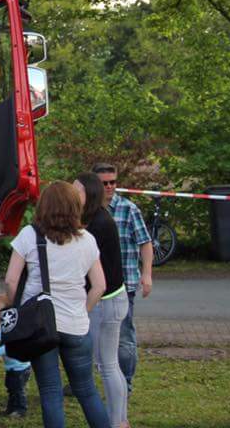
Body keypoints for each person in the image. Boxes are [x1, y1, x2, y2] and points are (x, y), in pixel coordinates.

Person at [4, 181, 109, 428]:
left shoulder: (29, 236)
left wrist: (10, 304)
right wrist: (83, 312)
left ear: (44, 206)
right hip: (77, 326)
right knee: (87, 391)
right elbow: (100, 286)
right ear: (75, 207)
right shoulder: (87, 240)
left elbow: (10, 281)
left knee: (50, 393)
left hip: (40, 327)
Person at [92, 162, 153, 395]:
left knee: (124, 336)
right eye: (104, 183)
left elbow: (145, 242)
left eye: (113, 182)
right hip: (91, 285)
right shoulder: (87, 211)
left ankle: (125, 382)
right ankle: (83, 380)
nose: (109, 187)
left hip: (122, 285)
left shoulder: (129, 209)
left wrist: (146, 274)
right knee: (88, 334)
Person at [75, 172, 129, 428]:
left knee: (107, 364)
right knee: (107, 363)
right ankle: (120, 420)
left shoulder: (98, 224)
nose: (73, 194)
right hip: (109, 300)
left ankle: (117, 421)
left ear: (90, 194)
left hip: (107, 302)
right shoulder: (93, 220)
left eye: (78, 190)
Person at [0, 294, 32, 419]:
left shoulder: (14, 328)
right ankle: (11, 409)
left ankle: (20, 410)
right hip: (12, 367)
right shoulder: (7, 325)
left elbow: (11, 346)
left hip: (20, 368)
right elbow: (0, 335)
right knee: (11, 388)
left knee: (18, 390)